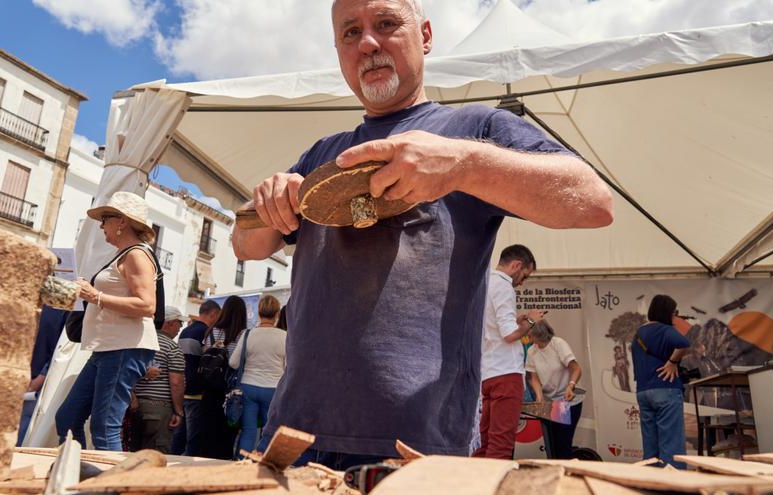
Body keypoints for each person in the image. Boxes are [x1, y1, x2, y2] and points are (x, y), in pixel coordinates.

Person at [233, 0, 613, 467]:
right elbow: (246, 245)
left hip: (416, 442)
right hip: (294, 432)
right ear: (338, 52)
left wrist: (464, 163)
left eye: (387, 24)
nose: (368, 43)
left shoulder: (474, 129)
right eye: (350, 33)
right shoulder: (321, 155)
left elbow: (594, 202)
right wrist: (267, 202)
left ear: (426, 36)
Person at [55, 191, 159, 450]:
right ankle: (79, 474)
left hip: (123, 348)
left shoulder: (137, 254)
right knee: (67, 419)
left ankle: (112, 487)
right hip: (110, 348)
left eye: (105, 219)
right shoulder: (126, 254)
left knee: (104, 428)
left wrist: (95, 295)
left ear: (122, 221)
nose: (101, 225)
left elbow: (147, 305)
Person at [472, 245, 543, 459]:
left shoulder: (484, 282)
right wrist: (532, 320)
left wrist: (515, 320)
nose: (522, 282)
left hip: (488, 373)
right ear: (516, 265)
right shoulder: (504, 286)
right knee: (501, 445)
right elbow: (509, 335)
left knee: (485, 443)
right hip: (506, 374)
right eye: (524, 275)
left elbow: (493, 328)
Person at [631, 294, 690, 469]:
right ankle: (672, 487)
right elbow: (684, 344)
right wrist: (672, 363)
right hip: (665, 389)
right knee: (672, 445)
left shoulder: (638, 333)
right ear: (667, 312)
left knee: (650, 447)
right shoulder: (665, 329)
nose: (675, 316)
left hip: (643, 392)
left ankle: (651, 485)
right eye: (674, 312)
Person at [229, 295, 287, 457]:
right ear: (277, 314)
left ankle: (243, 464)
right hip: (273, 390)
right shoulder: (284, 336)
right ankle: (263, 465)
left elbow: (233, 363)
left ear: (259, 313)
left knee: (248, 430)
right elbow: (289, 367)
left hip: (248, 387)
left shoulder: (248, 334)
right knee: (268, 431)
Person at [130, 306, 187, 453]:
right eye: (179, 323)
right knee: (155, 455)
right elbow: (176, 383)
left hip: (134, 405)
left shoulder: (141, 340)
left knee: (134, 452)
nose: (180, 328)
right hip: (159, 409)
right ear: (169, 323)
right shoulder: (172, 347)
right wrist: (179, 411)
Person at [525, 321, 583, 459]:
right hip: (550, 404)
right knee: (552, 446)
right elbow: (533, 377)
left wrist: (571, 385)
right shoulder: (531, 350)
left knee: (563, 445)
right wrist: (539, 395)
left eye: (530, 335)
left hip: (567, 402)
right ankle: (556, 475)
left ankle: (567, 476)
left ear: (538, 334)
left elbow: (576, 368)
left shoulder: (558, 344)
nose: (527, 337)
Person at [200, 295, 248, 459]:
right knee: (227, 436)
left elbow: (204, 355)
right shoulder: (243, 334)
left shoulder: (211, 331)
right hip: (230, 391)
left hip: (210, 388)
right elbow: (240, 362)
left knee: (207, 435)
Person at [174, 299, 221, 455]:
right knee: (193, 438)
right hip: (196, 391)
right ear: (213, 314)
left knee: (179, 435)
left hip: (182, 388)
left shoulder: (185, 331)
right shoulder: (204, 333)